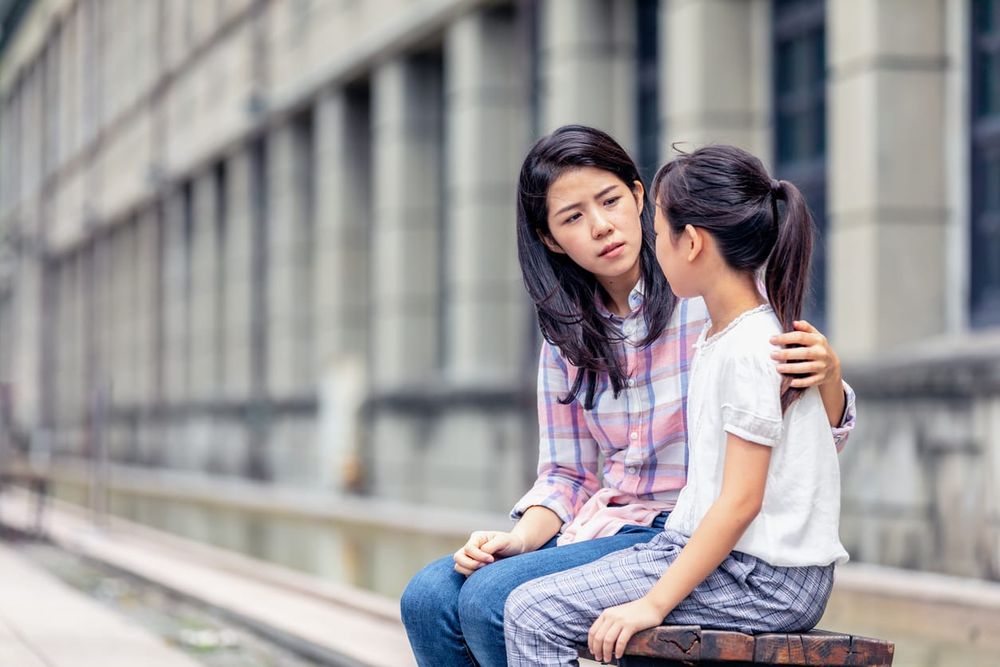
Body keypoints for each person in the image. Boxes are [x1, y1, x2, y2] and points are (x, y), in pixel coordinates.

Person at [401, 126, 855, 667]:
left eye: (611, 201)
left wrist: (829, 376)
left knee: (492, 602)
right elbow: (567, 475)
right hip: (607, 524)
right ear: (550, 239)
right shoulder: (565, 336)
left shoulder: (712, 305)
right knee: (429, 598)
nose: (601, 227)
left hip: (685, 529)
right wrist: (520, 539)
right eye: (572, 218)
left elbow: (802, 432)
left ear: (640, 199)